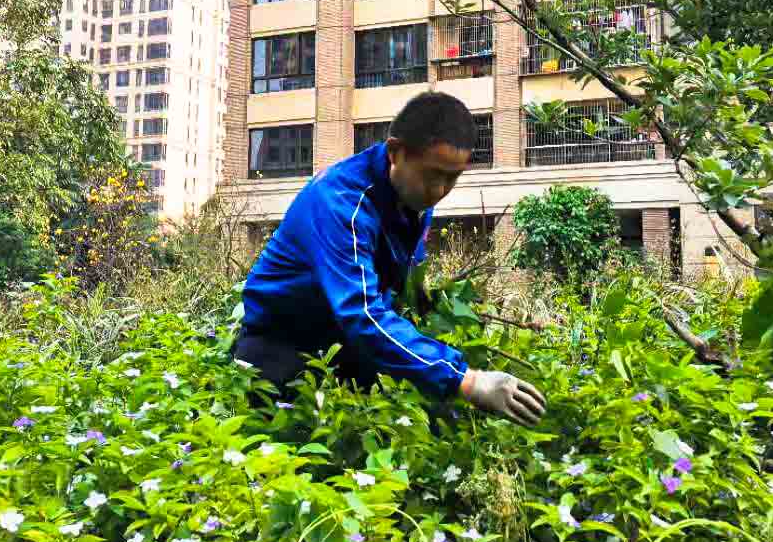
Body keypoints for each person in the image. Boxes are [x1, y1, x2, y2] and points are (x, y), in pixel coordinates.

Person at [232, 91, 546, 426]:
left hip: (346, 347)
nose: (439, 190)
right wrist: (466, 380)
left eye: (452, 178)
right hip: (281, 352)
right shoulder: (341, 204)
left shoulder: (410, 198)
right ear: (396, 151)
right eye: (433, 174)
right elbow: (362, 313)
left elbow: (398, 281)